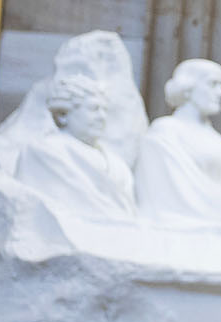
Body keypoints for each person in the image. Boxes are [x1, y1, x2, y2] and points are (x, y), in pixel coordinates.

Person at [14, 74, 137, 219]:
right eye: (94, 109)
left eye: (104, 110)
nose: (102, 116)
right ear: (63, 115)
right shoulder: (43, 152)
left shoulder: (117, 165)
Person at [133, 58, 221, 221]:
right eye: (213, 84)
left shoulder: (215, 138)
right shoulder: (166, 131)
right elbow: (178, 191)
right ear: (188, 88)